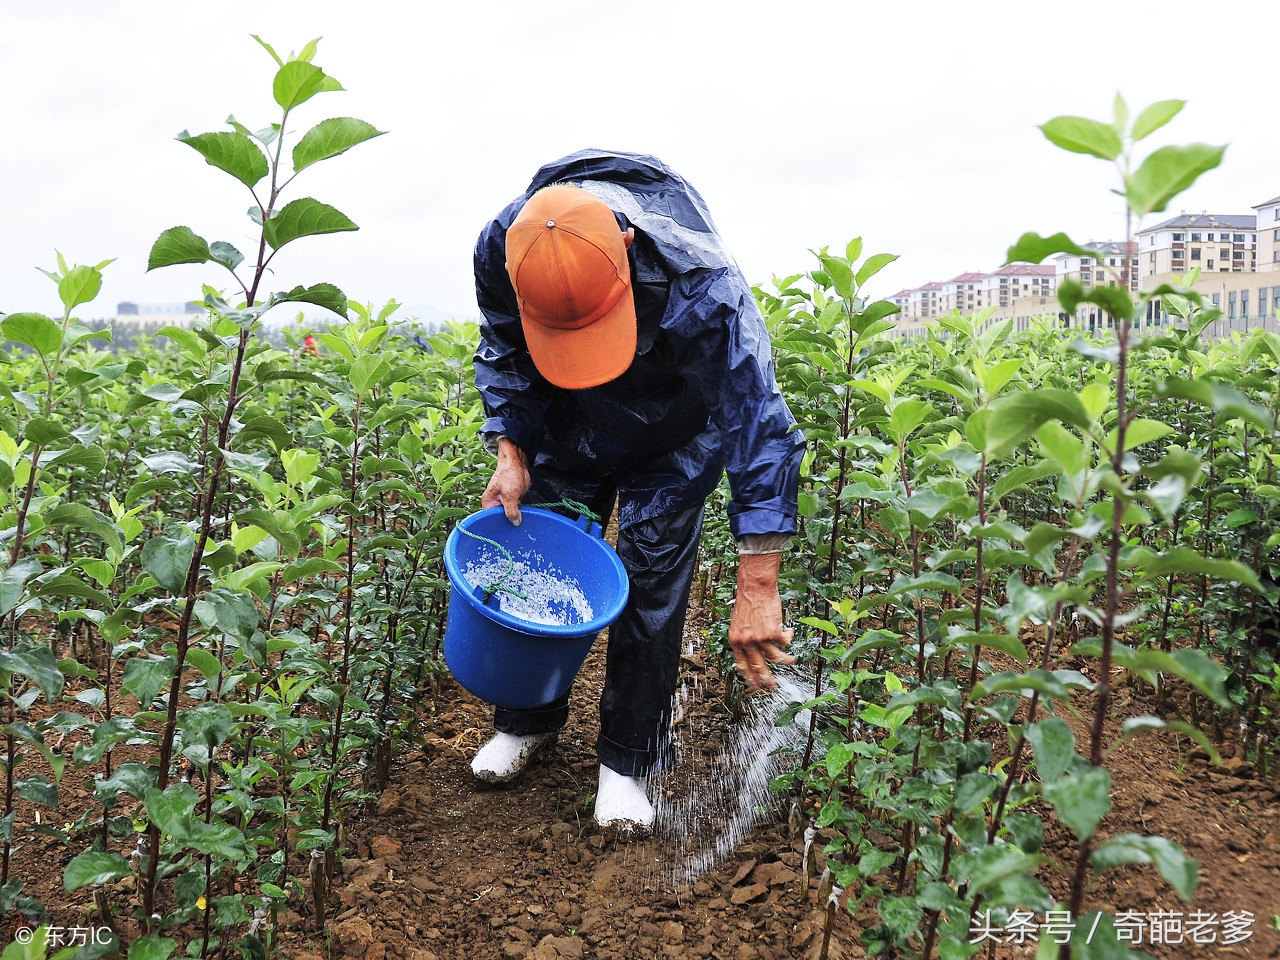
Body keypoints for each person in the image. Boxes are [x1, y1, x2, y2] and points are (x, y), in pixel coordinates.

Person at [470, 149, 804, 833]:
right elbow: (505, 346)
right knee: (545, 564)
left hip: (673, 441)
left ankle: (625, 763)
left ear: (627, 246)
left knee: (651, 593)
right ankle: (526, 723)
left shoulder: (703, 283)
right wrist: (511, 448)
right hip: (564, 423)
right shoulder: (503, 247)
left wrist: (759, 583)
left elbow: (759, 427)